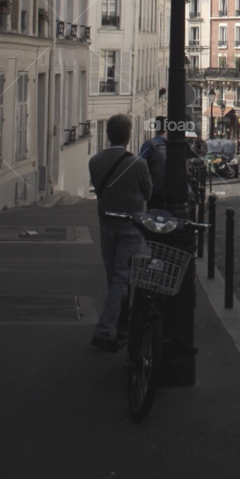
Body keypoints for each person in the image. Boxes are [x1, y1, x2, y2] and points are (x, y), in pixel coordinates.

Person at [89, 113, 152, 351]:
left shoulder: (94, 161)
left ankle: (121, 326)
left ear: (107, 135)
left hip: (106, 226)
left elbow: (98, 189)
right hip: (130, 228)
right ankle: (105, 328)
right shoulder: (137, 164)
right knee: (121, 279)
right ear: (128, 136)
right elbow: (148, 194)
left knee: (114, 278)